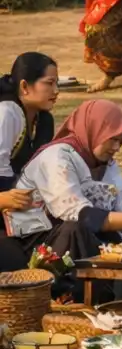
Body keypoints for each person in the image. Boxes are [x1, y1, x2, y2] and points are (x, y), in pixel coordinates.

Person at [17, 98, 122, 263]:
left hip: (75, 229)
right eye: (112, 139)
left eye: (120, 141)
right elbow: (80, 214)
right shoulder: (56, 158)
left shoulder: (102, 161)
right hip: (36, 241)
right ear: (94, 130)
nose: (117, 147)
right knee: (77, 229)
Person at [0, 52, 60, 271]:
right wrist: (4, 199)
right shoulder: (8, 113)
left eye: (57, 84)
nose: (56, 92)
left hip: (20, 211)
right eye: (49, 84)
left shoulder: (44, 119)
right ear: (25, 87)